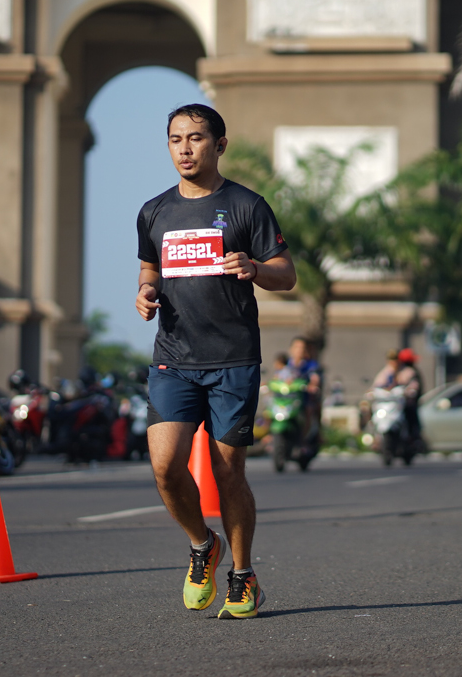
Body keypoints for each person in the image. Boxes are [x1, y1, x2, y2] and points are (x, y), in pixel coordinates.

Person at [135, 103, 296, 620]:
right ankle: (203, 545)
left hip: (233, 359)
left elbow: (286, 273)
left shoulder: (247, 206)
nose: (185, 149)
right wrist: (145, 292)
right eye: (175, 139)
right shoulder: (153, 211)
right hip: (173, 358)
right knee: (166, 467)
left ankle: (243, 575)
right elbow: (149, 268)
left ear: (219, 145)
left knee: (228, 472)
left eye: (196, 138)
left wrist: (254, 267)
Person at [394, 348, 423, 442]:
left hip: (408, 404)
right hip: (402, 404)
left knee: (412, 424)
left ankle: (413, 440)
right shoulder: (408, 372)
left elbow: (414, 389)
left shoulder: (409, 372)